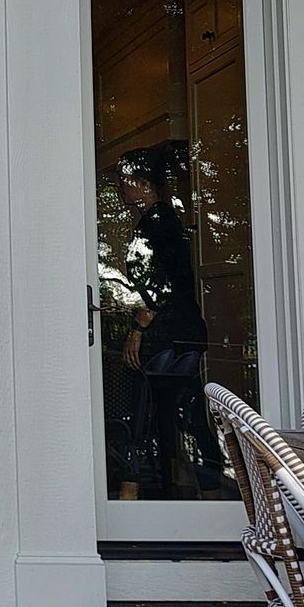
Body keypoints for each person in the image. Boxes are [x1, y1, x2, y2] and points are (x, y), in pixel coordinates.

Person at [109, 148, 226, 498]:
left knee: (141, 411)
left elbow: (160, 284)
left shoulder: (156, 223)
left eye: (126, 181)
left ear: (144, 184)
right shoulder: (164, 220)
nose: (120, 188)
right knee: (183, 413)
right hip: (185, 332)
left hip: (168, 336)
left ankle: (130, 501)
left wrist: (139, 327)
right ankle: (208, 497)